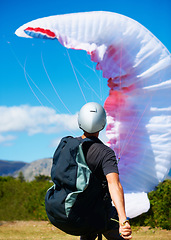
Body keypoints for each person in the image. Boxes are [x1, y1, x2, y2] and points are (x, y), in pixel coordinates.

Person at [77, 102, 132, 240]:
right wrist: (123, 220)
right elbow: (114, 185)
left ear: (80, 121)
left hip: (74, 211)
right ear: (103, 123)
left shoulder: (67, 145)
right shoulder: (105, 153)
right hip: (99, 212)